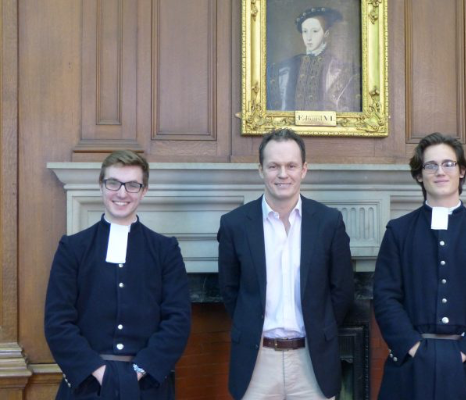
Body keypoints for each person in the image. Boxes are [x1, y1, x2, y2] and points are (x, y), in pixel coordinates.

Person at [373, 133, 466, 400]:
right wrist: (413, 347)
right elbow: (385, 297)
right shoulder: (398, 232)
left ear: (462, 171)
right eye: (431, 165)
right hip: (410, 364)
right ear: (419, 175)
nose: (440, 171)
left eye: (448, 164)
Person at [218, 128, 354, 399]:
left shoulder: (329, 222)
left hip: (312, 361)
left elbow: (342, 291)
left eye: (291, 165)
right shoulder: (234, 224)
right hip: (257, 362)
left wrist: (320, 328)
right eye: (274, 166)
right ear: (260, 170)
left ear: (304, 169)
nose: (283, 174)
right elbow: (230, 292)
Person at [44, 150, 191, 399]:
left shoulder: (165, 250)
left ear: (144, 190)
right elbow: (57, 321)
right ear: (101, 185)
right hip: (87, 384)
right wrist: (99, 372)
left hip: (148, 385)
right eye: (113, 183)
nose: (122, 193)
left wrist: (139, 371)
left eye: (132, 185)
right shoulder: (73, 248)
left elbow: (178, 320)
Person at [267, 7, 361, 112]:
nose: (309, 37)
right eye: (305, 31)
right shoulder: (285, 67)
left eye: (315, 31)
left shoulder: (342, 70)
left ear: (326, 33)